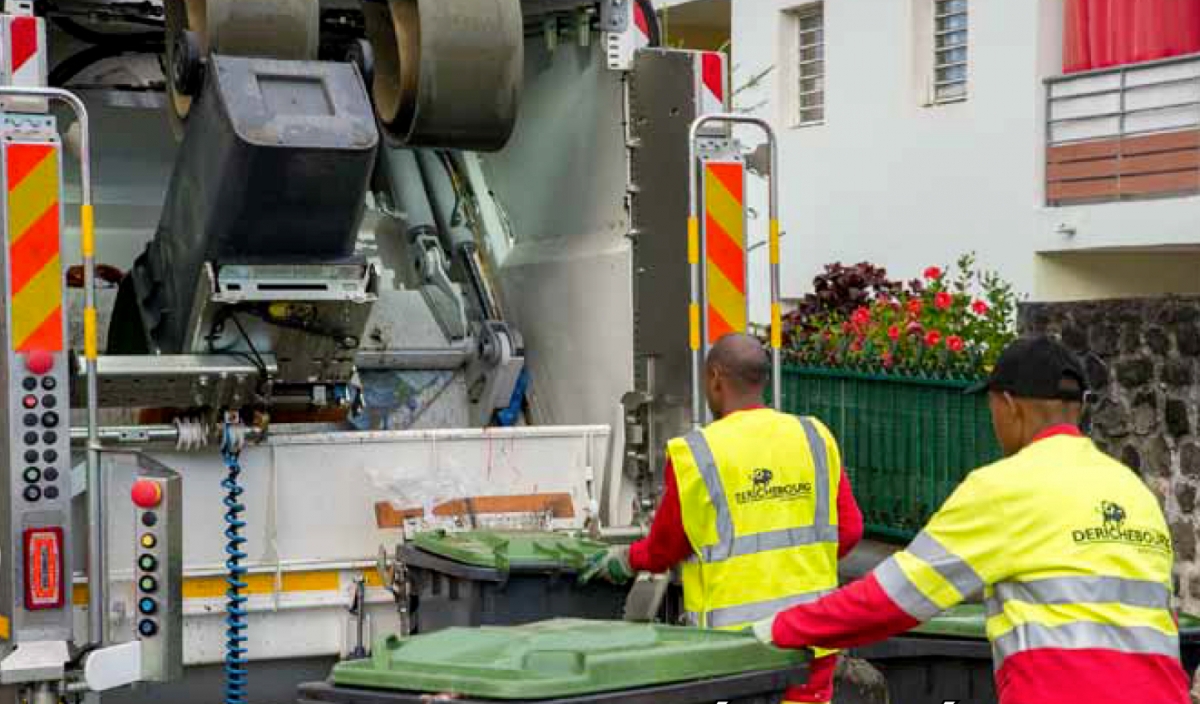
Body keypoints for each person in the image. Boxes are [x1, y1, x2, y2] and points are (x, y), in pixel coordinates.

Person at [750, 335, 1190, 704]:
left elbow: (894, 598)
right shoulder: (1132, 489)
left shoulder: (1006, 485)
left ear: (1009, 404)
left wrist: (778, 628)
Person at [582, 333, 864, 704]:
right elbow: (849, 530)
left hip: (731, 650)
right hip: (811, 640)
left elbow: (666, 547)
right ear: (760, 379)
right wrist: (795, 566)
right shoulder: (813, 435)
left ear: (715, 378)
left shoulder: (697, 453)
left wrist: (623, 560)